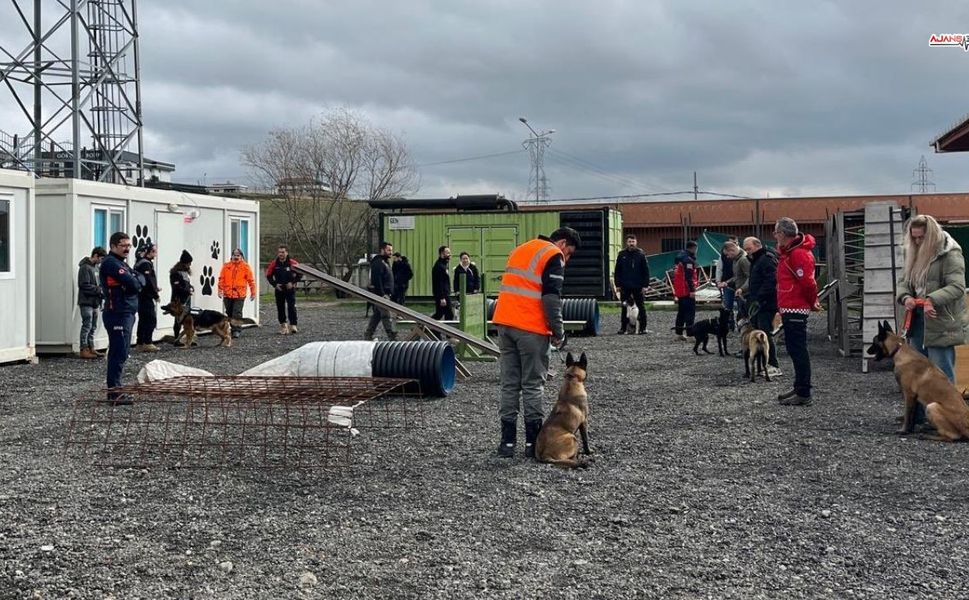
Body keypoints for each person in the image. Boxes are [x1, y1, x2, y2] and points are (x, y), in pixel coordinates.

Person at [493, 226, 581, 458]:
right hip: (530, 328)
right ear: (563, 243)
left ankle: (507, 443)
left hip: (504, 323)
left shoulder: (521, 249)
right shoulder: (553, 254)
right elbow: (551, 297)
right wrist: (559, 331)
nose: (567, 259)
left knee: (509, 384)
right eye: (569, 253)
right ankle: (532, 443)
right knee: (532, 385)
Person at [896, 214, 968, 423]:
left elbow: (957, 287)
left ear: (931, 235)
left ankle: (952, 420)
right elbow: (903, 282)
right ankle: (918, 416)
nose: (917, 241)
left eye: (921, 237)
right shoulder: (912, 252)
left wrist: (932, 299)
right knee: (916, 370)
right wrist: (906, 297)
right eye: (914, 238)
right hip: (918, 318)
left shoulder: (950, 253)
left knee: (941, 374)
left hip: (940, 320)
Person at [774, 218, 820, 406]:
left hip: (795, 306)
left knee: (798, 349)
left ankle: (803, 391)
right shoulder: (792, 252)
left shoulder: (798, 254)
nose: (775, 236)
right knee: (794, 348)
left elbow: (808, 283)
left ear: (782, 234)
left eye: (776, 233)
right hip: (790, 304)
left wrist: (812, 301)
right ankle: (799, 386)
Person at [99, 232, 144, 404]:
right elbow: (134, 283)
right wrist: (133, 281)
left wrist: (134, 281)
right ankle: (114, 393)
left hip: (127, 312)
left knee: (123, 352)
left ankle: (116, 390)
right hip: (117, 313)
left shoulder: (121, 263)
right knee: (118, 353)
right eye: (123, 246)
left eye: (129, 246)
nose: (127, 249)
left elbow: (140, 280)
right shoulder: (111, 263)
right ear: (113, 246)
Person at [744, 237, 781, 376]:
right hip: (760, 302)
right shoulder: (757, 259)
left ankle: (773, 365)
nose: (747, 252)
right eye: (746, 250)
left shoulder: (765, 259)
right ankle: (764, 365)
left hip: (766, 303)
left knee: (765, 334)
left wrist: (759, 297)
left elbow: (772, 281)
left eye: (749, 249)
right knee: (761, 332)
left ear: (757, 246)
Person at [613, 233, 651, 335]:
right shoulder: (622, 255)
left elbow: (646, 271)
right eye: (629, 242)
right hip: (625, 286)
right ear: (626, 242)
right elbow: (617, 271)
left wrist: (645, 285)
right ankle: (623, 328)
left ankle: (643, 328)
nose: (631, 244)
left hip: (638, 285)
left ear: (636, 242)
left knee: (641, 307)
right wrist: (617, 285)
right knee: (624, 307)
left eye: (633, 242)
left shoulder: (641, 254)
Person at [218, 248, 257, 339]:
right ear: (231, 256)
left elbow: (251, 281)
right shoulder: (226, 266)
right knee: (229, 312)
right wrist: (220, 291)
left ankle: (236, 330)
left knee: (237, 313)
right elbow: (221, 279)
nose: (236, 257)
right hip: (227, 294)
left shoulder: (245, 267)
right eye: (234, 255)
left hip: (240, 295)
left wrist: (253, 293)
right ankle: (232, 328)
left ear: (241, 256)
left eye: (238, 255)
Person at [77, 246, 107, 359]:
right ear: (95, 255)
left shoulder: (96, 268)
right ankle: (84, 348)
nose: (101, 261)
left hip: (95, 301)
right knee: (87, 325)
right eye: (101, 258)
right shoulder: (85, 268)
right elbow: (84, 285)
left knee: (93, 326)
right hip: (86, 301)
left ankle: (91, 347)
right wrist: (99, 290)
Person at [365, 241, 398, 341]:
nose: (391, 252)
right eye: (388, 250)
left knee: (377, 315)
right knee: (386, 314)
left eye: (391, 250)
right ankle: (391, 335)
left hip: (386, 293)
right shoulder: (378, 262)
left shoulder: (385, 262)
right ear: (382, 250)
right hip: (381, 294)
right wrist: (382, 294)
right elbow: (376, 280)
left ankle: (368, 334)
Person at [266, 245, 301, 335]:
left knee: (291, 307)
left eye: (283, 252)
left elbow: (300, 274)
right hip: (280, 289)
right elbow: (269, 275)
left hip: (290, 288)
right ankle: (283, 326)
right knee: (280, 307)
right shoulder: (274, 264)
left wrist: (292, 283)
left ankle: (293, 325)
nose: (281, 254)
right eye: (279, 252)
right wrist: (275, 284)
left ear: (287, 253)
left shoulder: (292, 263)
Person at [133, 243, 161, 352]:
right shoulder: (146, 264)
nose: (156, 253)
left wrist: (155, 288)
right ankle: (147, 342)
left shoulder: (139, 263)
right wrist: (155, 294)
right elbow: (148, 281)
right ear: (150, 252)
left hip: (140, 295)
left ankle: (140, 343)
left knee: (143, 319)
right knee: (150, 319)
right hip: (146, 296)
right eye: (154, 251)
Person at [719, 240, 748, 330]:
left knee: (744, 316)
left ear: (732, 250)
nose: (727, 257)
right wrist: (727, 282)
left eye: (727, 254)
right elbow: (736, 276)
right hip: (740, 292)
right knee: (741, 315)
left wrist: (742, 289)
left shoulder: (743, 259)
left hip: (746, 294)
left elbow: (751, 277)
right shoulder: (736, 260)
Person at [672, 241, 698, 340]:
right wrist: (692, 290)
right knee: (690, 313)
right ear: (694, 248)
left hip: (679, 290)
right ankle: (690, 335)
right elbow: (689, 277)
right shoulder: (688, 260)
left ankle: (678, 333)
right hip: (686, 290)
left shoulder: (679, 257)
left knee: (681, 312)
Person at [169, 250, 194, 346]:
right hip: (178, 299)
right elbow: (177, 287)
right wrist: (187, 291)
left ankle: (188, 338)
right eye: (189, 263)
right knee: (178, 320)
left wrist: (191, 287)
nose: (190, 265)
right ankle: (176, 339)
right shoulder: (175, 273)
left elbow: (186, 284)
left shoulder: (184, 273)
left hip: (186, 298)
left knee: (187, 319)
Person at [718, 236, 739, 330]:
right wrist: (718, 281)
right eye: (730, 243)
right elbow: (719, 268)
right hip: (727, 283)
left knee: (741, 306)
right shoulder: (723, 255)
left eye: (734, 243)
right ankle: (730, 325)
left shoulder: (742, 255)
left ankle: (741, 325)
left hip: (739, 284)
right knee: (728, 306)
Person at [432, 245, 454, 320]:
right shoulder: (439, 266)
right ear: (442, 254)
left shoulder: (444, 265)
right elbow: (439, 283)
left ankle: (426, 326)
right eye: (447, 253)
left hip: (444, 293)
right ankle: (426, 325)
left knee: (439, 314)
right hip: (442, 294)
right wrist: (442, 297)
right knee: (449, 314)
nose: (449, 255)